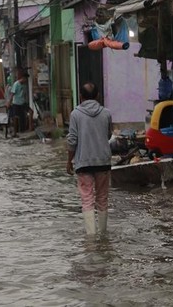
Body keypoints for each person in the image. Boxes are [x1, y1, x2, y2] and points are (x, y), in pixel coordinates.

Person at [66, 82, 113, 235]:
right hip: (103, 162)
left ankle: (91, 239)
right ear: (98, 96)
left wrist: (69, 161)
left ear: (80, 97)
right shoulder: (106, 113)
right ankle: (103, 234)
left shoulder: (75, 114)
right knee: (102, 198)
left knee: (87, 199)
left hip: (83, 163)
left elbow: (72, 140)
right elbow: (108, 135)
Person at [7, 68, 33, 136]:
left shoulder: (24, 85)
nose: (26, 80)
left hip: (23, 102)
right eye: (25, 79)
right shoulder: (16, 84)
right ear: (23, 78)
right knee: (15, 117)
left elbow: (23, 94)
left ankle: (30, 128)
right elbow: (12, 94)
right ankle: (15, 132)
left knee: (31, 112)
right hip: (16, 103)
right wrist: (9, 102)